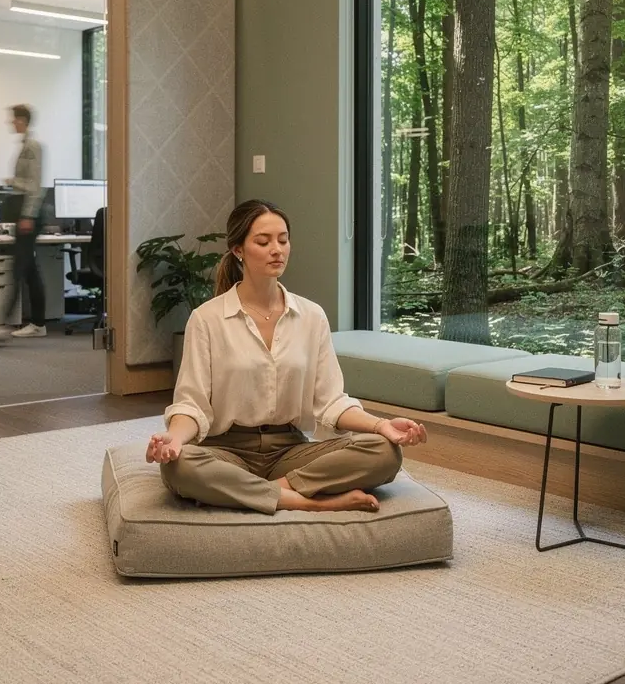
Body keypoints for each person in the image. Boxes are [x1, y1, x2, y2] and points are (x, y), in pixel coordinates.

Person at [145, 199, 428, 513]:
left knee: (385, 453)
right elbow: (192, 405)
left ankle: (270, 492)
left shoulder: (311, 316)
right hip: (226, 450)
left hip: (289, 454)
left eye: (283, 240)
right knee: (179, 466)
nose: (276, 249)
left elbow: (331, 401)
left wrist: (381, 425)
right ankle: (311, 503)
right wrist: (173, 439)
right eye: (263, 242)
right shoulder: (207, 319)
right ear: (238, 250)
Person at [1, 104, 47, 338]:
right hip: (24, 214)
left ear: (22, 120)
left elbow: (34, 185)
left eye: (13, 120)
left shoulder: (33, 146)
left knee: (20, 267)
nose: (11, 123)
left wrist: (28, 215)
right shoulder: (25, 145)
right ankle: (38, 323)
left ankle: (4, 322)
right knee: (29, 270)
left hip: (29, 216)